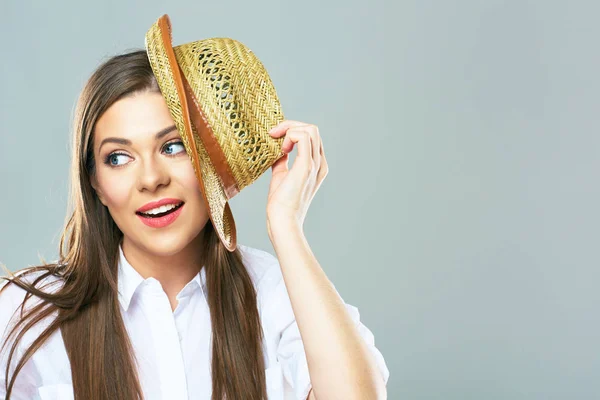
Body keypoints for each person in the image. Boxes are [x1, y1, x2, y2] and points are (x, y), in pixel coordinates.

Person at [0, 49, 389, 400]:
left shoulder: (275, 295)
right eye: (118, 157)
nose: (151, 179)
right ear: (96, 185)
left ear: (211, 160)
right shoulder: (25, 312)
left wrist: (287, 225)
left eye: (173, 147)